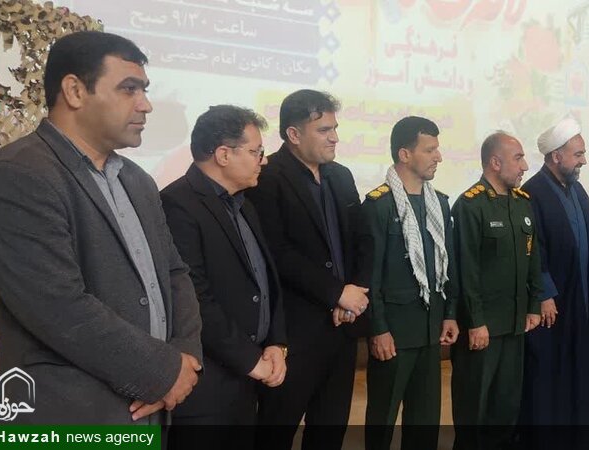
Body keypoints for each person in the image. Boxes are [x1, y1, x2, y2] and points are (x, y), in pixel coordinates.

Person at [0, 31, 202, 424]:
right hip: (69, 416)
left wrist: (185, 358)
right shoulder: (17, 174)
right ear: (74, 91)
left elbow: (174, 273)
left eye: (145, 90)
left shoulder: (137, 180)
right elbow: (59, 308)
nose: (146, 104)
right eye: (129, 89)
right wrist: (164, 372)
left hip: (150, 406)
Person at [248, 89, 371, 450]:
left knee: (330, 430)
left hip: (343, 327)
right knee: (276, 431)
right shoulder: (267, 176)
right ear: (293, 134)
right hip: (295, 333)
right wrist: (335, 293)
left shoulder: (341, 176)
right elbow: (276, 252)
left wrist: (354, 295)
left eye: (335, 128)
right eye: (324, 130)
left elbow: (364, 240)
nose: (334, 137)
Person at [160, 105, 287, 448]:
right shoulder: (177, 204)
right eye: (256, 151)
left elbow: (266, 280)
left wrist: (275, 342)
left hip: (246, 382)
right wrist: (250, 359)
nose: (263, 160)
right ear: (223, 155)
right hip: (206, 390)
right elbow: (193, 297)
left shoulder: (243, 204)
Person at [362, 116, 459, 450]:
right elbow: (370, 276)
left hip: (430, 332)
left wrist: (450, 313)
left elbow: (448, 266)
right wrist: (378, 328)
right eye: (429, 150)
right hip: (393, 333)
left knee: (425, 420)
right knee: (383, 419)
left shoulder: (439, 203)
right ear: (405, 154)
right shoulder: (379, 205)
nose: (438, 157)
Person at [451, 131, 543, 450]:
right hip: (483, 328)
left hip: (515, 324)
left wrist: (534, 305)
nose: (525, 166)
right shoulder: (470, 205)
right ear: (495, 162)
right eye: (518, 158)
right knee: (474, 406)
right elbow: (465, 271)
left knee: (506, 407)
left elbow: (533, 258)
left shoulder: (522, 203)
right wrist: (475, 321)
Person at [517, 116, 589, 449]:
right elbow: (532, 249)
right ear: (556, 156)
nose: (584, 160)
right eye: (578, 154)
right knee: (551, 372)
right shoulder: (532, 192)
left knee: (581, 368)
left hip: (582, 298)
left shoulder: (577, 189)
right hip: (554, 303)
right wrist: (544, 293)